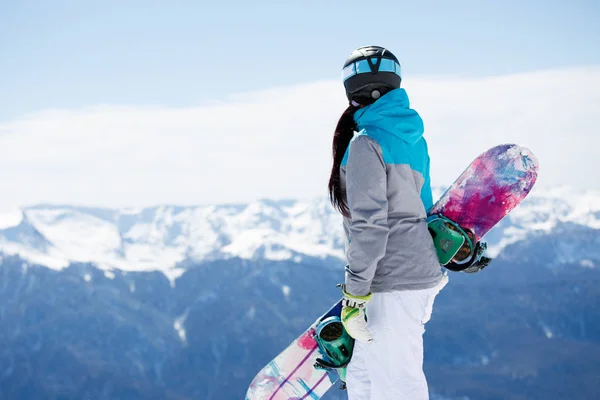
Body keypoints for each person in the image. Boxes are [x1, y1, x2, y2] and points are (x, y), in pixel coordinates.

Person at [328, 45, 449, 400]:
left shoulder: (367, 145)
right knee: (365, 378)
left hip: (390, 279)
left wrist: (355, 291)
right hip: (415, 275)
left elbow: (370, 225)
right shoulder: (413, 140)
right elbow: (424, 209)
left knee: (397, 386)